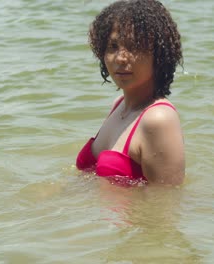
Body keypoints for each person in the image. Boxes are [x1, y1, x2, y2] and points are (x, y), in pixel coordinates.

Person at [76, 0, 184, 186]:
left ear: (158, 55)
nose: (120, 58)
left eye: (134, 46)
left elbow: (166, 202)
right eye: (113, 46)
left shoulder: (158, 119)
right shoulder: (118, 105)